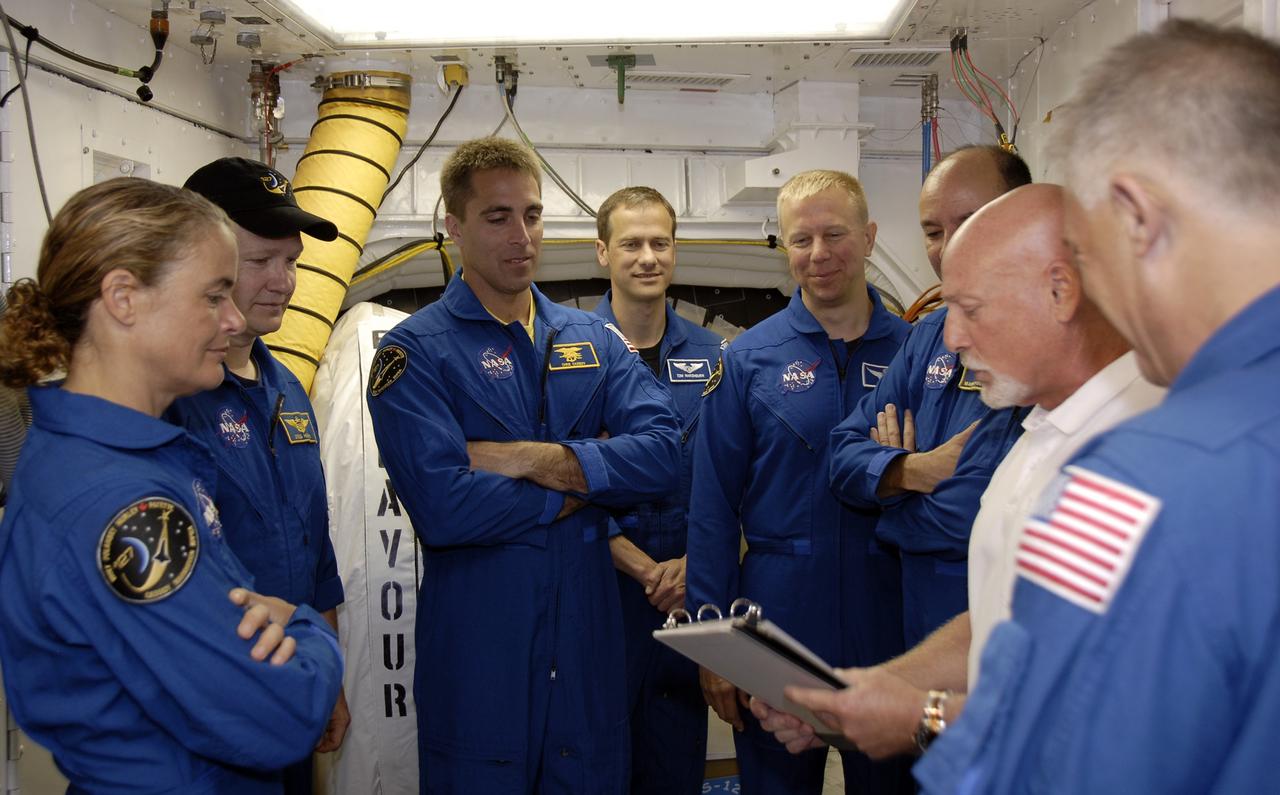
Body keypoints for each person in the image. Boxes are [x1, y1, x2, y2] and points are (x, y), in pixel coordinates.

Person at [908, 21, 1280, 793]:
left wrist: (928, 719)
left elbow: (1050, 766)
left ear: (1136, 214)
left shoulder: (1136, 481)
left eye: (1087, 249)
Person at [749, 185, 1163, 763]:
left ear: (1060, 292)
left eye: (972, 309)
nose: (952, 337)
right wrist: (860, 697)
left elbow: (1111, 688)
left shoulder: (1135, 446)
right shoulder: (1034, 433)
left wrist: (924, 717)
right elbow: (1007, 614)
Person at [0, 178, 343, 794]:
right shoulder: (122, 503)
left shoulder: (117, 460)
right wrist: (306, 629)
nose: (234, 317)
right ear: (124, 298)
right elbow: (273, 711)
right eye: (213, 296)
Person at [365, 137, 681, 795]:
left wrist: (534, 461)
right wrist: (585, 486)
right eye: (498, 216)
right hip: (484, 660)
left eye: (532, 215)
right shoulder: (415, 354)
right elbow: (445, 506)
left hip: (590, 654)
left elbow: (662, 454)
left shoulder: (590, 341)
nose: (522, 235)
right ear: (454, 226)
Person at [685, 169, 913, 794]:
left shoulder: (916, 354)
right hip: (777, 612)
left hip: (888, 604)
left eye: (835, 234)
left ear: (868, 237)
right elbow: (711, 505)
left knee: (892, 782)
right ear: (784, 248)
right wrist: (715, 640)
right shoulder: (748, 358)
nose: (819, 255)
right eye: (800, 240)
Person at [168, 157, 349, 793]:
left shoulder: (286, 392)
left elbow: (314, 555)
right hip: (208, 717)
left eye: (291, 261)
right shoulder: (168, 403)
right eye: (259, 261)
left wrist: (329, 685)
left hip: (288, 693)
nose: (284, 281)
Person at [829, 145, 1032, 649]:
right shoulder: (930, 335)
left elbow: (975, 511)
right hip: (921, 622)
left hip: (999, 624)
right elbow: (842, 456)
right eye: (933, 231)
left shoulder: (1041, 341)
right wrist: (912, 471)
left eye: (969, 222)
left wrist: (890, 510)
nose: (947, 247)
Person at [592, 186, 723, 794]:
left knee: (675, 766)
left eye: (660, 243)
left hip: (688, 593)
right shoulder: (566, 353)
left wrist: (697, 565)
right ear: (602, 252)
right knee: (598, 764)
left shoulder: (717, 355)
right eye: (631, 243)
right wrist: (646, 569)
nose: (648, 257)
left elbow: (734, 479)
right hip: (602, 590)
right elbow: (556, 483)